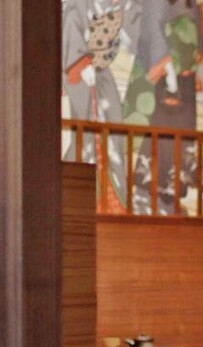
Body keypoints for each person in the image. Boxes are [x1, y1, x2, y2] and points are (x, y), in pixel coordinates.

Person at [123, 0, 203, 215]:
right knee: (162, 137)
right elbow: (152, 25)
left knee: (181, 139)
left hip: (184, 77)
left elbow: (202, 44)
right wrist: (163, 64)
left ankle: (169, 198)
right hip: (166, 74)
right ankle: (147, 196)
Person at [62, 0, 135, 212]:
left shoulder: (125, 6)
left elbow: (134, 32)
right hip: (78, 73)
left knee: (114, 124)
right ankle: (76, 198)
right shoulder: (80, 4)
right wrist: (81, 64)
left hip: (101, 72)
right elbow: (70, 23)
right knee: (85, 133)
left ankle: (113, 200)